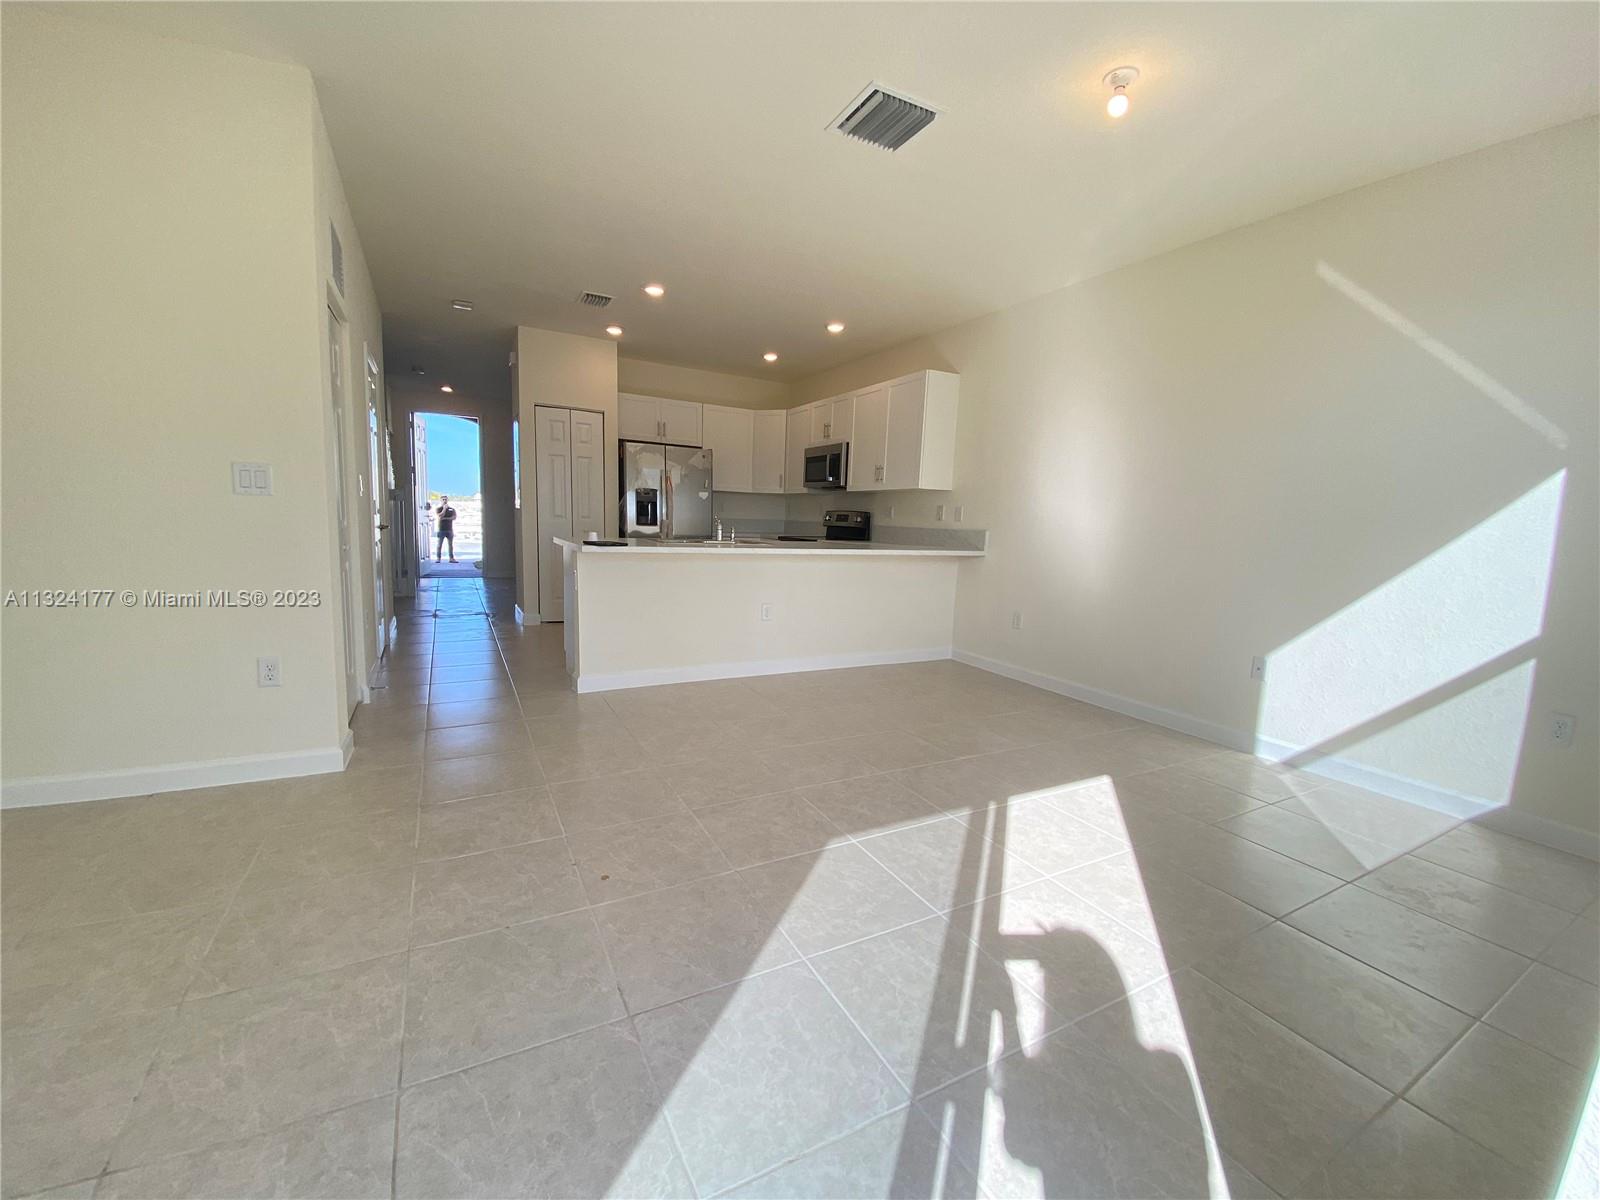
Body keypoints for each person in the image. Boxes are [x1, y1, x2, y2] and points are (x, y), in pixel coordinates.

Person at [434, 496, 457, 562]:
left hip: (450, 529)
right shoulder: (439, 509)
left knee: (450, 545)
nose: (444, 500)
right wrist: (444, 509)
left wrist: (446, 518)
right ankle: (438, 558)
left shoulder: (452, 509)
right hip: (441, 529)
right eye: (443, 499)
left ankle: (451, 558)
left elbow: (454, 517)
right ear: (441, 500)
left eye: (446, 499)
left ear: (448, 500)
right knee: (439, 545)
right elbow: (440, 516)